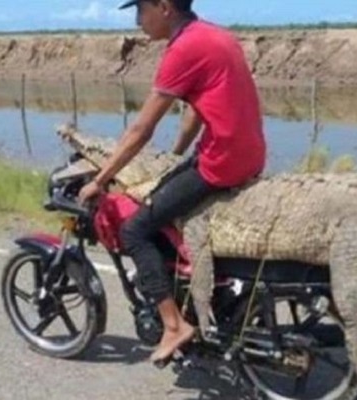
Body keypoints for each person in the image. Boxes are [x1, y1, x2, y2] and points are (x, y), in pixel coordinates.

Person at [78, 0, 266, 363]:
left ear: (164, 7)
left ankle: (174, 325)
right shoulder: (213, 35)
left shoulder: (183, 49)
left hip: (223, 162)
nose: (137, 20)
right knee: (164, 199)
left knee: (136, 230)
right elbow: (197, 109)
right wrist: (176, 155)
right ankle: (192, 290)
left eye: (141, 10)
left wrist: (100, 180)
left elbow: (140, 129)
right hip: (248, 153)